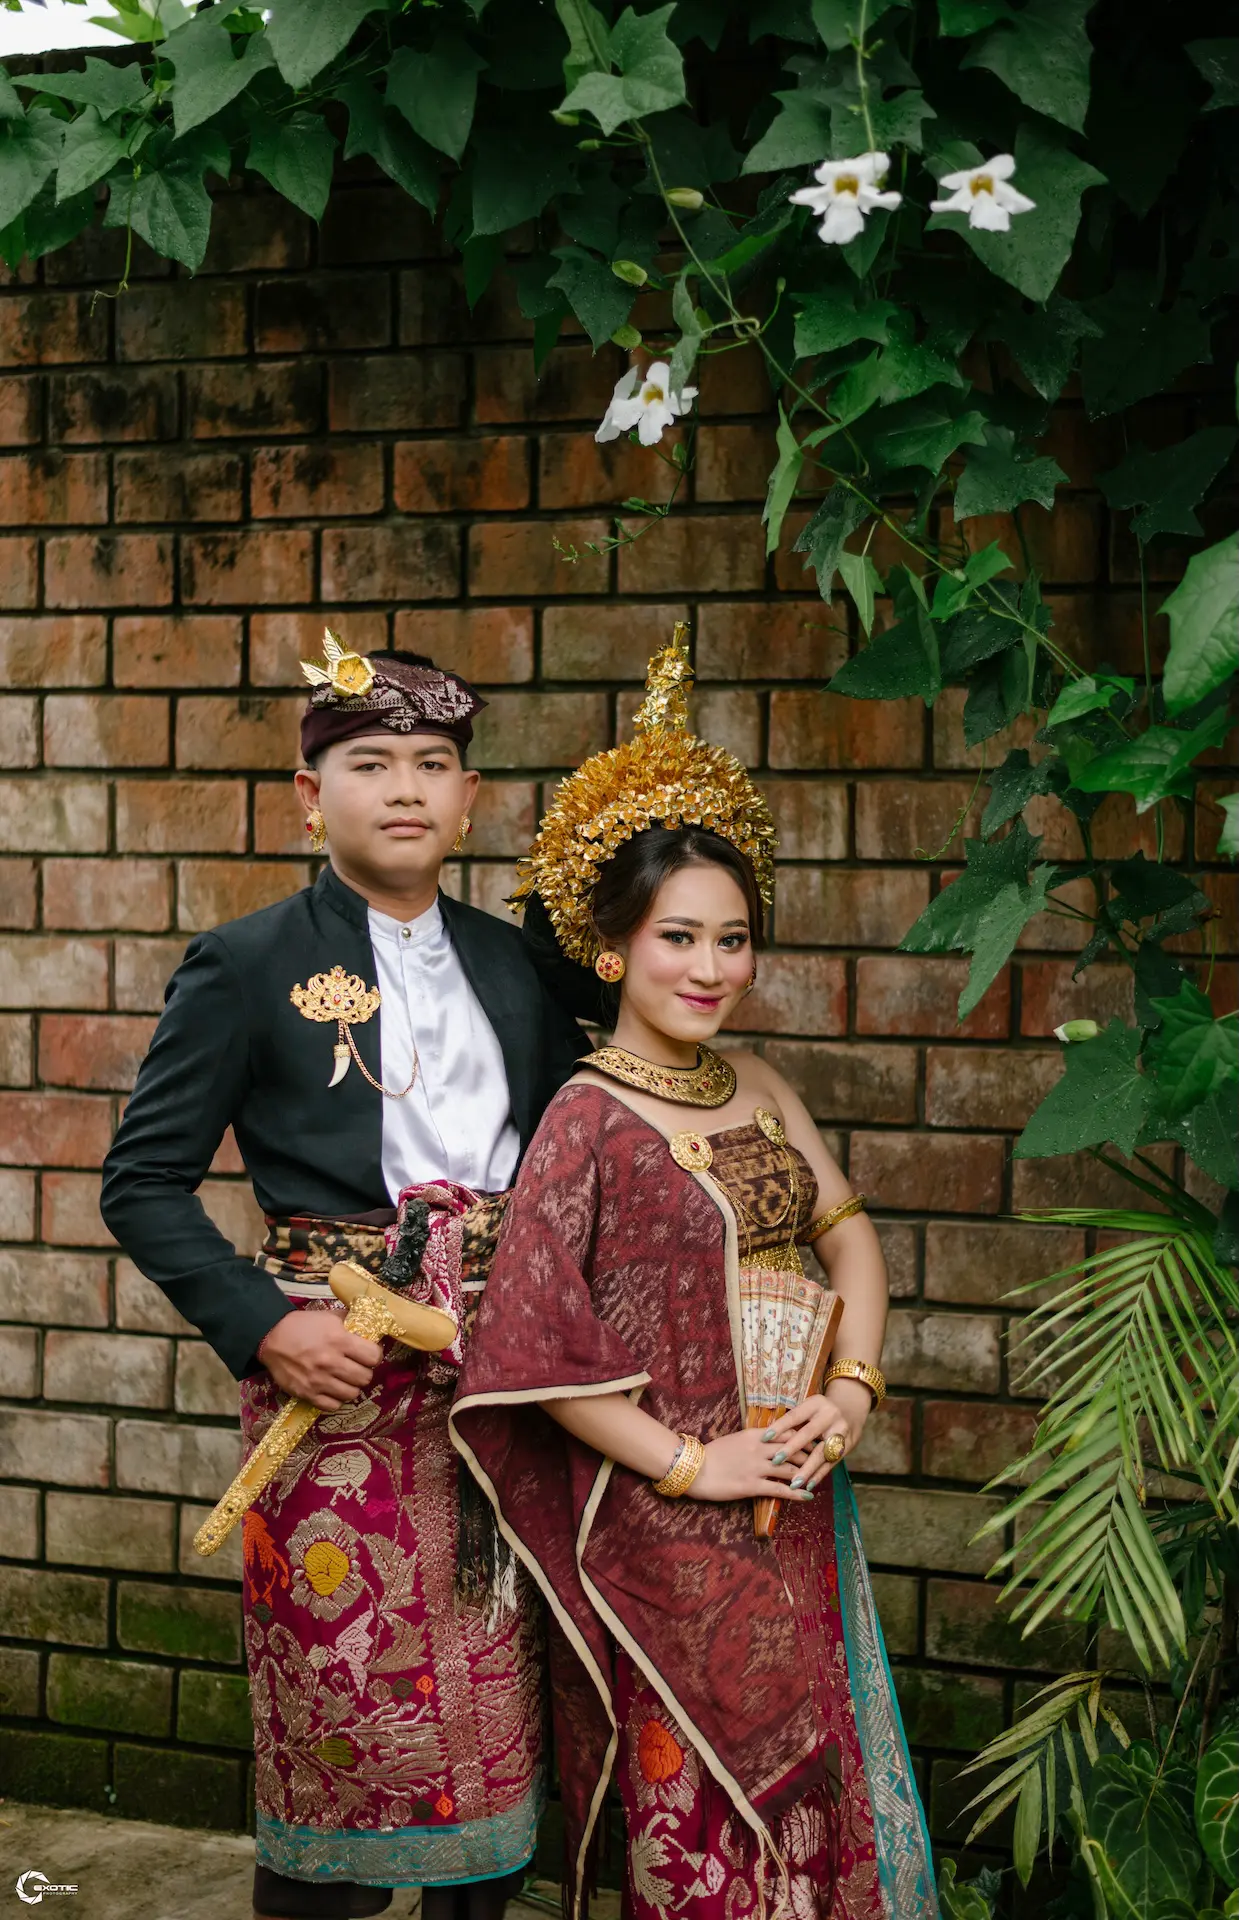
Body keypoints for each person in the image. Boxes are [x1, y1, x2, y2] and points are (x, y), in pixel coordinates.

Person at [101, 636, 596, 1920]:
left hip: (506, 1381)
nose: (405, 787)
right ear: (310, 794)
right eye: (369, 762)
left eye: (433, 762)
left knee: (499, 1714)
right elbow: (140, 1181)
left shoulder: (519, 965)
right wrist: (267, 1325)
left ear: (470, 797)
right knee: (348, 1717)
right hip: (339, 1387)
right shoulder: (246, 963)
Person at [451, 631, 938, 1920]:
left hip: (797, 1487)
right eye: (679, 937)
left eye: (734, 938)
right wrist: (690, 1464)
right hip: (667, 1524)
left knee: (818, 1772)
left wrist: (852, 1391)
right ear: (612, 945)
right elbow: (531, 1355)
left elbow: (851, 1241)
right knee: (700, 1808)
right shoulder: (585, 1120)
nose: (712, 969)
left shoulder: (758, 1085)